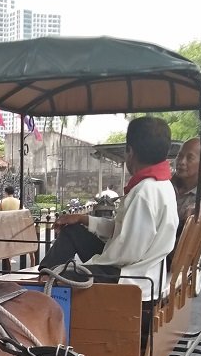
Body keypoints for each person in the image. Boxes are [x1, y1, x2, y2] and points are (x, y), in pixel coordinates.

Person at [38, 116, 178, 301]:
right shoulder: (161, 185)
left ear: (130, 152)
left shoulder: (145, 192)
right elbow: (122, 229)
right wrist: (83, 219)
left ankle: (44, 291)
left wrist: (83, 267)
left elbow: (125, 253)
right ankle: (44, 274)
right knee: (72, 232)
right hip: (131, 266)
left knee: (64, 277)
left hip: (131, 276)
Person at [0, 185, 22, 271]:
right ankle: (10, 257)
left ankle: (7, 257)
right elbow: (23, 212)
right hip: (14, 224)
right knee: (12, 241)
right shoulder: (18, 202)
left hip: (4, 224)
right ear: (13, 193)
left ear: (6, 192)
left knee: (6, 241)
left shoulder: (2, 202)